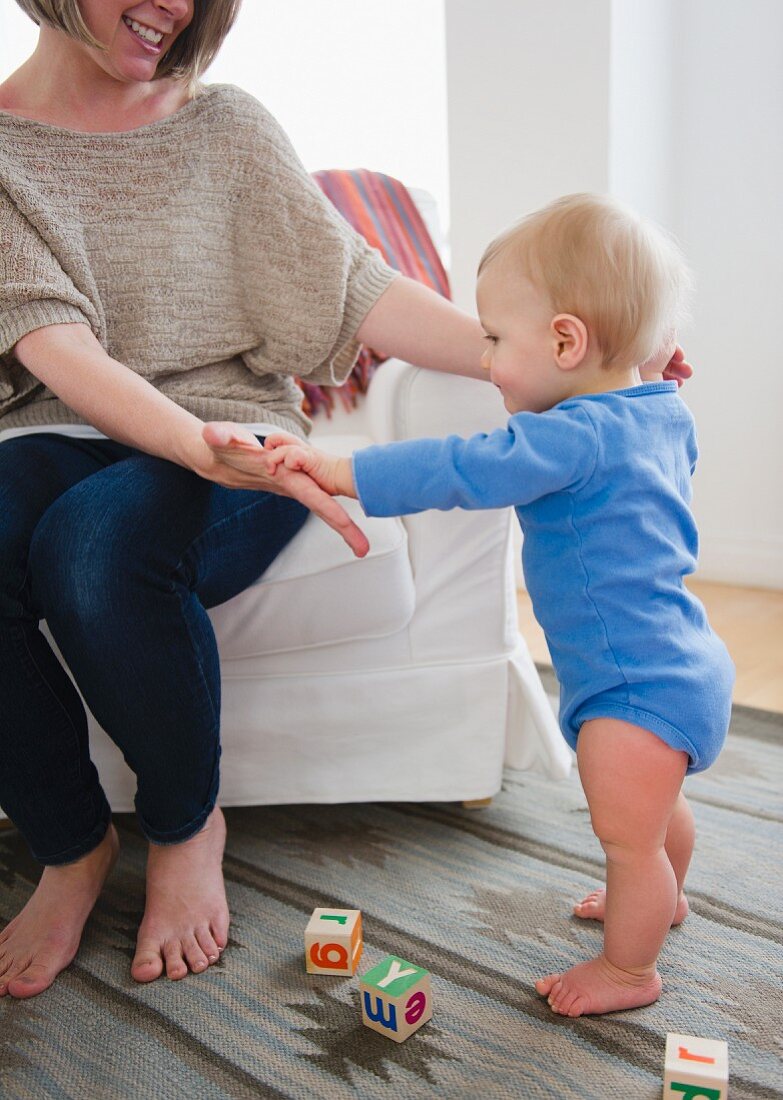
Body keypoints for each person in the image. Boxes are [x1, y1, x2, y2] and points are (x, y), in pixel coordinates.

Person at [0, 2, 691, 1001]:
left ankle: (187, 827)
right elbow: (51, 347)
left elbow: (362, 292)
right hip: (70, 431)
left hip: (243, 440)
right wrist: (190, 441)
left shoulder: (225, 127)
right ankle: (72, 845)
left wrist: (600, 368)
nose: (174, 8)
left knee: (94, 549)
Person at [262, 193, 734, 1017]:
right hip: (681, 661)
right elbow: (646, 424)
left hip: (628, 686)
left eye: (493, 340)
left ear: (564, 341)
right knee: (659, 815)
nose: (484, 358)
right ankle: (663, 898)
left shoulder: (565, 436)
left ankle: (630, 970)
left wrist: (347, 471)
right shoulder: (658, 416)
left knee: (626, 838)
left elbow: (461, 467)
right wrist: (652, 374)